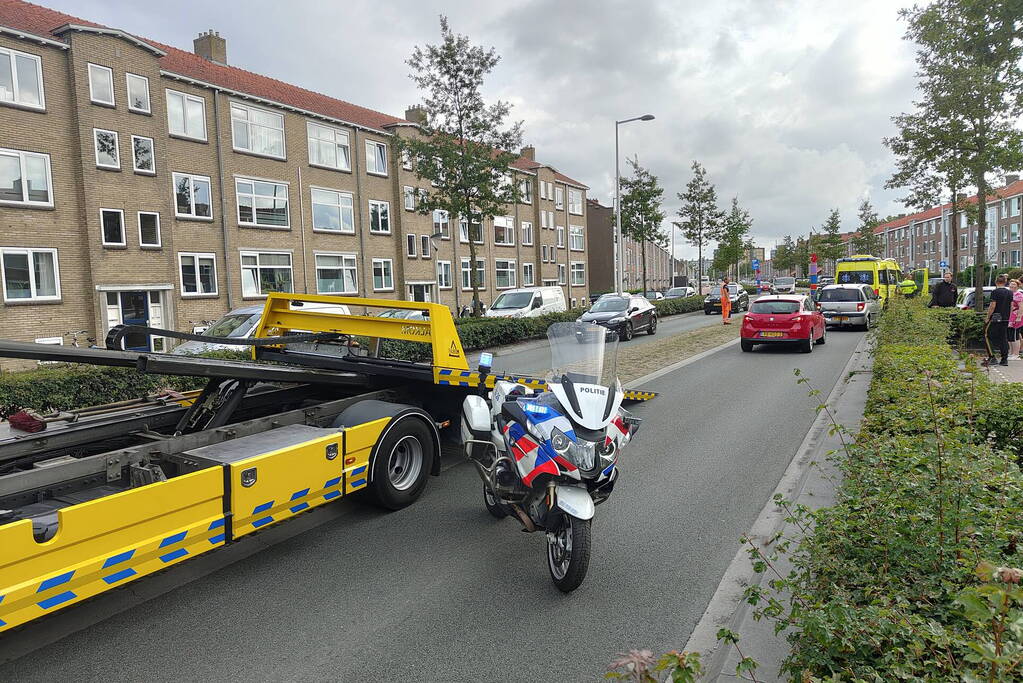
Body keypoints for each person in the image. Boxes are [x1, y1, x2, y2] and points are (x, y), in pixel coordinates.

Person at [983, 274, 1012, 367]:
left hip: (995, 318)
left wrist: (988, 317)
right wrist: (1009, 317)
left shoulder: (995, 292)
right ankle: (1004, 360)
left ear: (996, 282)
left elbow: (992, 306)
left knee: (986, 335)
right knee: (1003, 338)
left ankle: (992, 357)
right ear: (1005, 282)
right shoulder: (1010, 292)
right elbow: (1011, 306)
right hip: (1006, 318)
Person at [1008, 278, 1023, 360]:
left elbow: (1021, 306)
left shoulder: (1019, 294)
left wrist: (1019, 317)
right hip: (1010, 317)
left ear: (1017, 286)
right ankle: (1011, 352)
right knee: (1010, 335)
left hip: (1016, 317)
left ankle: (1016, 354)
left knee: (1015, 335)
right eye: (1011, 284)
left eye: (1014, 284)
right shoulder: (1010, 294)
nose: (1012, 286)